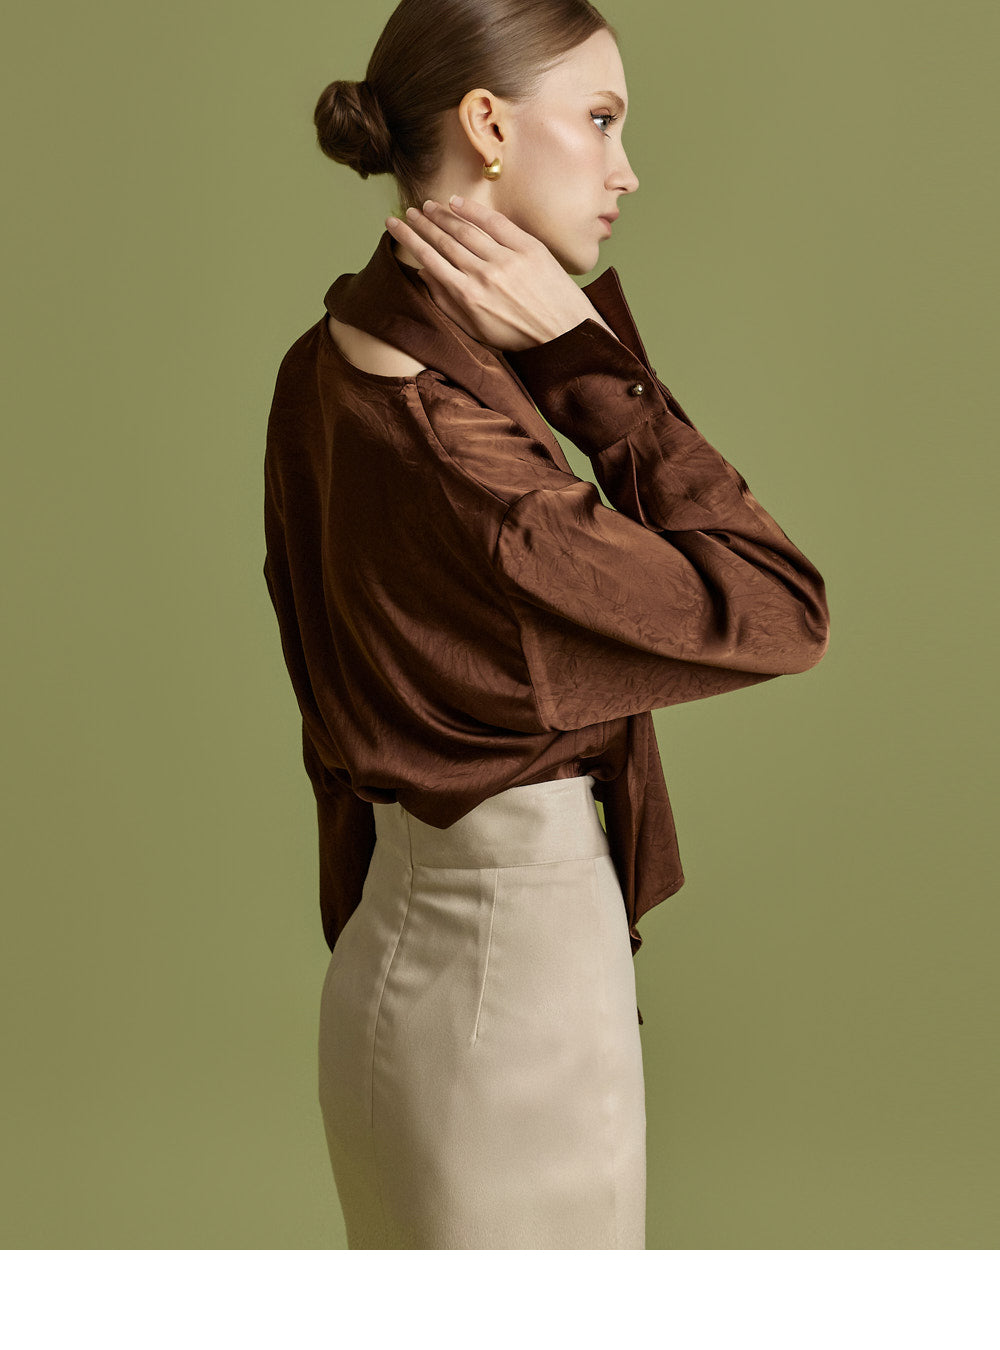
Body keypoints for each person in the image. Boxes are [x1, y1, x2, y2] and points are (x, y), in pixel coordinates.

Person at [261, 0, 830, 1250]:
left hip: (396, 951)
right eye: (601, 119)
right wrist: (586, 360)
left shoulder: (322, 368)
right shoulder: (472, 462)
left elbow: (328, 714)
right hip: (512, 986)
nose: (627, 171)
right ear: (488, 125)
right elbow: (781, 608)